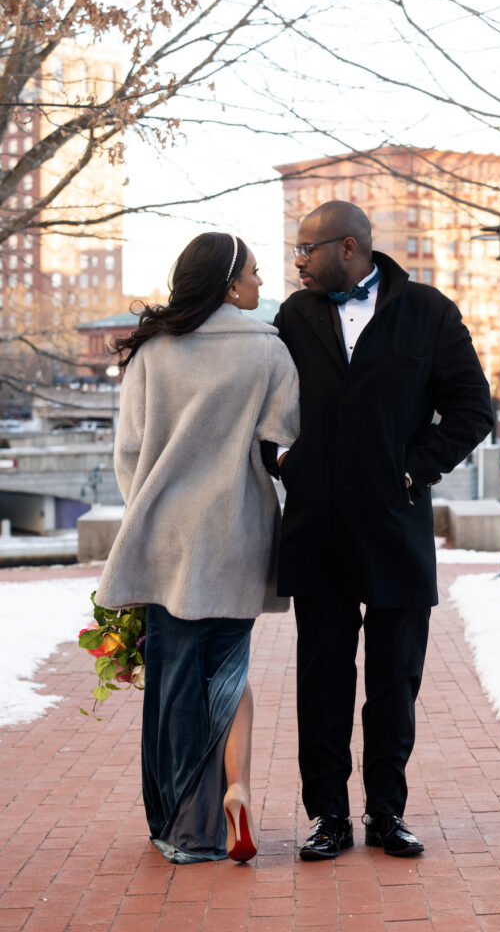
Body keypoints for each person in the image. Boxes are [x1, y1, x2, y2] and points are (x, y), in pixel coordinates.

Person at [270, 200, 493, 861]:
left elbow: (471, 409)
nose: (299, 262)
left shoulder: (428, 312)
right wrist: (278, 461)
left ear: (347, 246)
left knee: (394, 680)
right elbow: (261, 407)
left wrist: (411, 469)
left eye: (306, 249)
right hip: (316, 525)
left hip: (395, 527)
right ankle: (328, 817)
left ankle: (386, 813)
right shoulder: (291, 317)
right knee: (322, 677)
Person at [96, 232, 299, 865]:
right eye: (255, 276)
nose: (262, 287)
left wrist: (151, 506)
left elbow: (129, 454)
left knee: (174, 684)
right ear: (229, 282)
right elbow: (283, 440)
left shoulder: (154, 350)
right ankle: (235, 789)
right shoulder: (268, 349)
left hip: (167, 538)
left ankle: (187, 830)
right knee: (230, 669)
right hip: (236, 533)